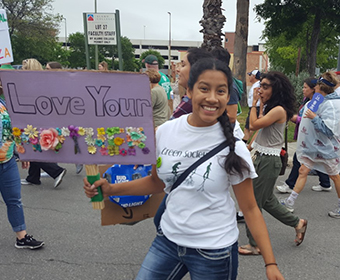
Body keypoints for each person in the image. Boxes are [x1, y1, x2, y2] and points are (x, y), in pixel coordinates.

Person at [84, 58, 284, 280]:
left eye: (221, 91)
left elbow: (250, 209)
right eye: (204, 88)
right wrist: (111, 189)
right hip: (168, 241)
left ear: (228, 97)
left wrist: (270, 263)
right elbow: (156, 183)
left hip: (214, 251)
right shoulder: (165, 132)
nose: (211, 98)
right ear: (189, 90)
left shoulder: (235, 147)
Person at [239, 71, 307, 255]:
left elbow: (253, 124)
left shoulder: (278, 110)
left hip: (268, 160)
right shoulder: (271, 107)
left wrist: (253, 104)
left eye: (265, 86)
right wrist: (251, 146)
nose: (260, 89)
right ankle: (297, 222)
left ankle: (255, 244)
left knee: (253, 203)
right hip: (261, 156)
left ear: (276, 89)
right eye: (261, 85)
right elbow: (260, 129)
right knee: (267, 200)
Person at [280, 72, 340, 218]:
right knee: (302, 171)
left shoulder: (333, 105)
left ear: (321, 88)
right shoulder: (318, 100)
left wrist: (314, 117)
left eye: (316, 86)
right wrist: (310, 107)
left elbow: (328, 129)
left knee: (335, 177)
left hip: (326, 149)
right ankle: (290, 202)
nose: (313, 89)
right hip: (312, 147)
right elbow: (303, 113)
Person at [0, 65, 44, 249]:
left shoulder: (5, 103)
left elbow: (12, 130)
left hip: (7, 161)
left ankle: (22, 237)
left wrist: (22, 151)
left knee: (14, 200)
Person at [276, 78, 331, 194]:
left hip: (312, 137)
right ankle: (325, 183)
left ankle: (290, 185)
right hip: (309, 137)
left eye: (306, 87)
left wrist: (296, 119)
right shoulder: (308, 101)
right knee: (318, 159)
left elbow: (312, 119)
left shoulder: (318, 103)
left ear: (313, 89)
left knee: (298, 159)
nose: (303, 89)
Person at [20, 59, 67, 188]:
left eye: (24, 68)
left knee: (33, 147)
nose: (21, 71)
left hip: (36, 119)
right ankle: (33, 177)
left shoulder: (34, 84)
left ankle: (56, 171)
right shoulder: (40, 83)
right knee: (34, 146)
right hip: (39, 118)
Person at [242, 69, 262, 143]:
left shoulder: (258, 85)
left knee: (249, 127)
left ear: (253, 76)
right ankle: (245, 141)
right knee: (249, 127)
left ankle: (244, 142)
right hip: (253, 107)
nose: (249, 77)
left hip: (256, 108)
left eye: (250, 75)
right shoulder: (255, 85)